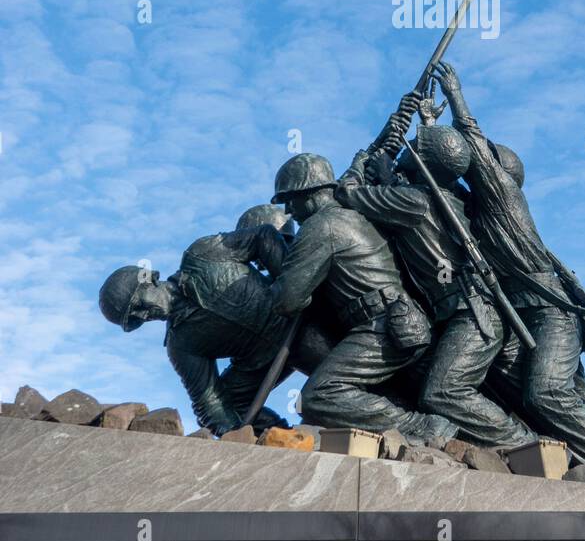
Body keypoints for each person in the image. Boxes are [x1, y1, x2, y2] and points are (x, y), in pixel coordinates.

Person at [432, 61, 585, 462]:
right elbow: (445, 181)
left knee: (546, 393)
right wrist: (427, 123)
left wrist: (455, 96)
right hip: (528, 314)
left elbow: (472, 143)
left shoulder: (504, 195)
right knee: (575, 396)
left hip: (552, 314)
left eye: (484, 162)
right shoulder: (480, 211)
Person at [334, 127, 535, 449]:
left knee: (444, 391)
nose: (406, 148)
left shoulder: (414, 201)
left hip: (472, 315)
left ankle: (528, 446)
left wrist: (359, 163)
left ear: (423, 159)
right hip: (469, 313)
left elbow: (347, 194)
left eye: (413, 145)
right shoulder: (447, 200)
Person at [98, 203, 338, 436]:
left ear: (150, 278)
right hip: (261, 361)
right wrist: (233, 435)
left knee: (339, 385)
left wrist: (292, 289)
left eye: (139, 305)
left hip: (299, 323)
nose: (144, 315)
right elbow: (208, 401)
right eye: (136, 320)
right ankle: (282, 441)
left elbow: (262, 238)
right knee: (231, 403)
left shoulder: (202, 256)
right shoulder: (180, 345)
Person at [270, 152, 456, 442]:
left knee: (320, 395)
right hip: (399, 321)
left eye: (290, 201)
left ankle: (421, 427)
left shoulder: (321, 226)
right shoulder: (354, 215)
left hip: (383, 326)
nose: (289, 211)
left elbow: (287, 300)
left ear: (308, 195)